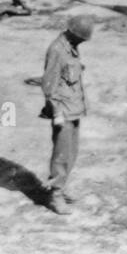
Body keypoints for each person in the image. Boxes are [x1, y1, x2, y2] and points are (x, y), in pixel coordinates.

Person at [39, 13, 95, 215]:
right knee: (61, 155)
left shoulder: (71, 47)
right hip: (62, 111)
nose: (83, 42)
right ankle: (54, 195)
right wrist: (57, 113)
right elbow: (49, 84)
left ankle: (61, 188)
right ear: (73, 33)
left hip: (74, 108)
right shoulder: (57, 49)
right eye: (81, 38)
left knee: (71, 153)